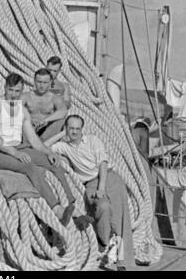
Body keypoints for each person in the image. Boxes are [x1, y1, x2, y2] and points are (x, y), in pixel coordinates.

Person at [0, 73, 75, 226]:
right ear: (4, 88)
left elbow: (33, 140)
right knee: (29, 167)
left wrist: (49, 152)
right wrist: (15, 153)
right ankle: (56, 209)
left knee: (53, 164)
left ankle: (72, 204)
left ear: (22, 91)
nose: (13, 95)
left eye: (17, 91)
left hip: (19, 147)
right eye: (10, 90)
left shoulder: (21, 110)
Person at [51, 115, 135, 270]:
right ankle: (103, 243)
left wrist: (101, 187)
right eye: (71, 128)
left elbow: (103, 163)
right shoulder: (64, 146)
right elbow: (43, 146)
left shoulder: (93, 140)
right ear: (66, 128)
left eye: (77, 128)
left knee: (119, 221)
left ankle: (121, 262)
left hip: (110, 178)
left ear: (82, 129)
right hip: (90, 182)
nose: (74, 132)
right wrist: (62, 134)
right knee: (102, 207)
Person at [21, 68, 68, 142]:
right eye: (39, 82)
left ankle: (42, 142)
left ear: (50, 82)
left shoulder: (55, 98)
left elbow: (63, 111)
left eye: (45, 82)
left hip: (46, 132)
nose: (41, 85)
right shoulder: (26, 96)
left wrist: (45, 120)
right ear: (34, 81)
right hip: (28, 130)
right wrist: (28, 120)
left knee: (61, 120)